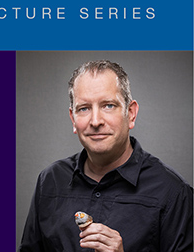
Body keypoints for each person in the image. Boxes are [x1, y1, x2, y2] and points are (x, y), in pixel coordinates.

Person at [19, 60, 193, 252]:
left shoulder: (173, 193)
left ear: (131, 114)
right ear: (73, 119)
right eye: (84, 108)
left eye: (108, 105)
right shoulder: (49, 181)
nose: (95, 121)